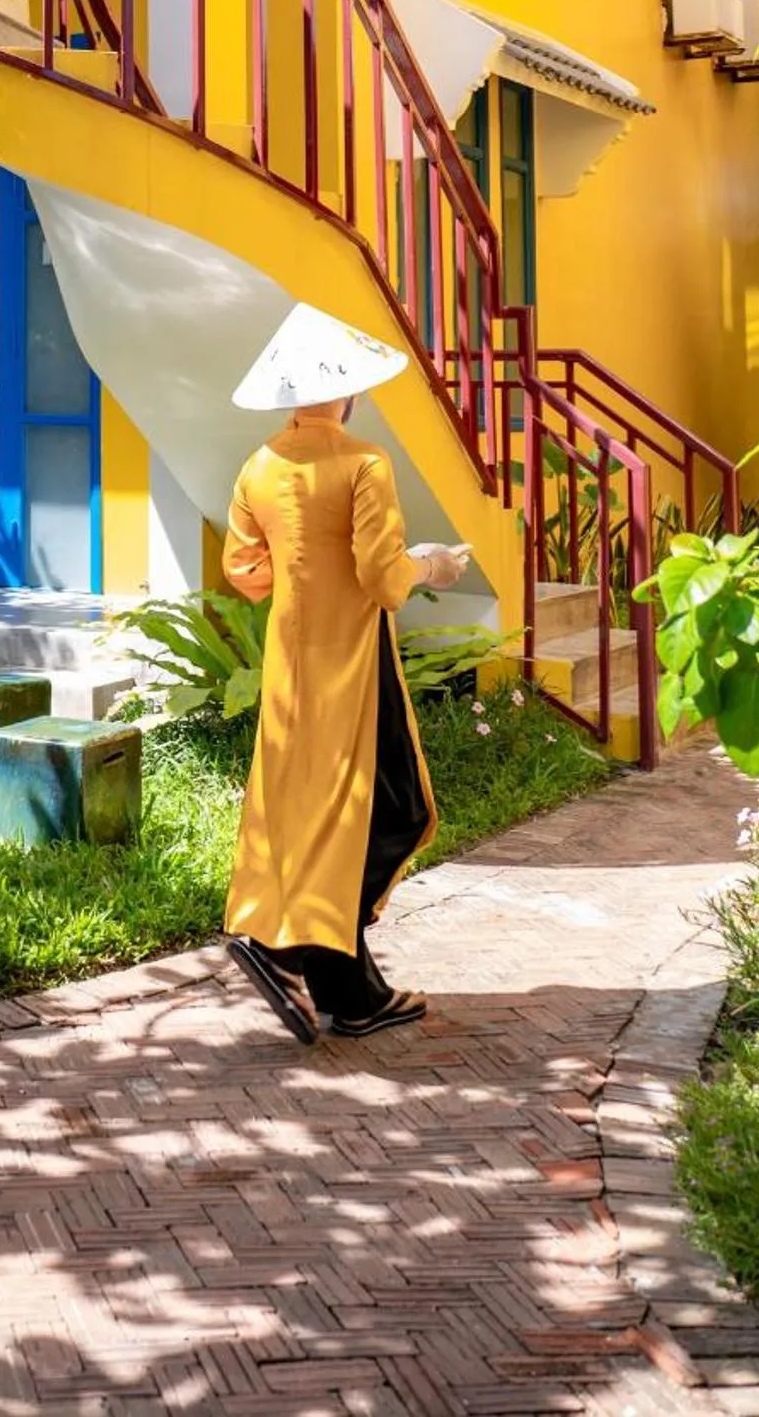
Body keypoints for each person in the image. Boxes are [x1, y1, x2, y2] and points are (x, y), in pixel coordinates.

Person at [219, 302, 472, 1044]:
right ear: (349, 390)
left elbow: (246, 572)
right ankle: (292, 945)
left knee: (301, 808)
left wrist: (301, 571)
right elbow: (383, 579)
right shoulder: (364, 463)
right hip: (354, 661)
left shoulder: (257, 466)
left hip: (289, 660)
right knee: (393, 809)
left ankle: (346, 988)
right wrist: (435, 563)